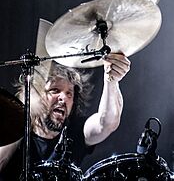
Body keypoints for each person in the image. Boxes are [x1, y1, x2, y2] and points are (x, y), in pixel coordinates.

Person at [0, 53, 130, 180]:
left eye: (69, 93)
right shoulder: (17, 131)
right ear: (36, 96)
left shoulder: (75, 132)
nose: (63, 98)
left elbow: (106, 123)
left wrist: (111, 80)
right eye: (55, 90)